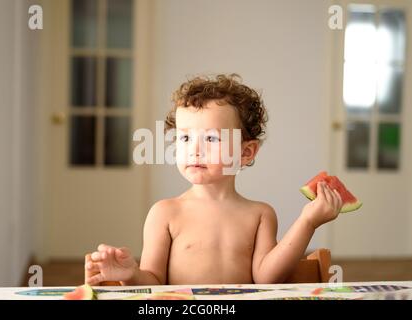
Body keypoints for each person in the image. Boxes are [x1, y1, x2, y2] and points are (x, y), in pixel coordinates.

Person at [85, 74, 342, 285]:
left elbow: (267, 278)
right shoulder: (164, 213)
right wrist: (131, 275)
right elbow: (154, 282)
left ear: (245, 152)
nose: (195, 149)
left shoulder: (260, 214)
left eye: (211, 138)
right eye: (185, 138)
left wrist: (308, 222)